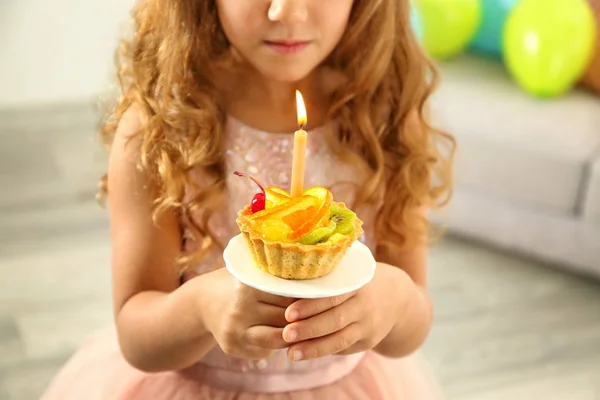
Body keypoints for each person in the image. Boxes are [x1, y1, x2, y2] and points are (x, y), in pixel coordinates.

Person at [42, 0, 455, 398]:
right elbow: (137, 337)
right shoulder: (161, 127)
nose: (286, 11)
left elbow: (413, 324)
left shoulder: (384, 116)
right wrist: (203, 308)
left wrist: (396, 299)